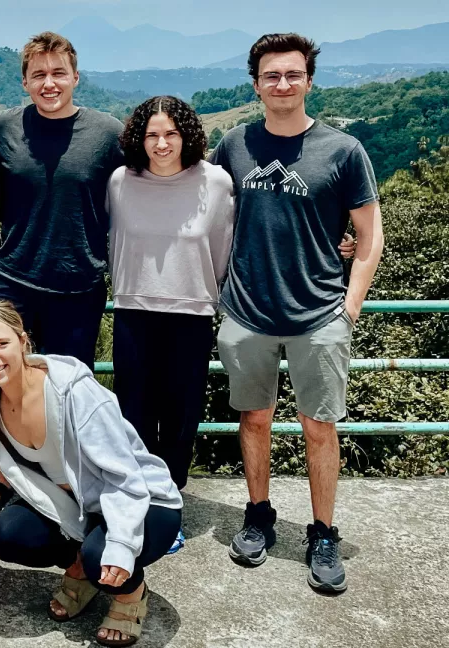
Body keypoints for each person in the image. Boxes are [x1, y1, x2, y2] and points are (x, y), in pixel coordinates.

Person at [210, 33, 383, 595]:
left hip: (319, 313)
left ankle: (323, 531)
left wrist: (349, 305)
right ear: (255, 83)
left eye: (291, 74)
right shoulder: (234, 145)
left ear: (309, 80)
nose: (281, 84)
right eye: (270, 75)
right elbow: (207, 215)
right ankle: (258, 514)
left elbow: (369, 235)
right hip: (247, 311)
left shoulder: (343, 150)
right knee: (254, 419)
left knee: (319, 427)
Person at [0, 301, 182, 647]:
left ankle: (131, 594)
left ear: (23, 341)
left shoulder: (73, 391)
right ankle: (80, 569)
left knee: (105, 557)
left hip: (143, 500)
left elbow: (126, 477)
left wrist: (122, 543)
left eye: (2, 343)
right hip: (77, 509)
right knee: (7, 534)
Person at [107, 96, 233, 554]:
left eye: (171, 134)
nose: (162, 144)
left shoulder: (215, 182)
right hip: (133, 310)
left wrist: (200, 289)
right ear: (140, 139)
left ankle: (169, 504)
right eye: (152, 135)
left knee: (181, 417)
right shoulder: (122, 181)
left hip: (192, 313)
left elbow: (222, 247)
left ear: (187, 135)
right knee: (133, 413)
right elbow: (110, 240)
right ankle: (139, 502)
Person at [0, 32, 124, 369]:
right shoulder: (3, 129)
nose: (50, 83)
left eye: (58, 73)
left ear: (75, 77)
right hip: (13, 282)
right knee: (4, 380)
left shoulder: (107, 134)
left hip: (79, 287)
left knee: (70, 390)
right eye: (39, 75)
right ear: (24, 82)